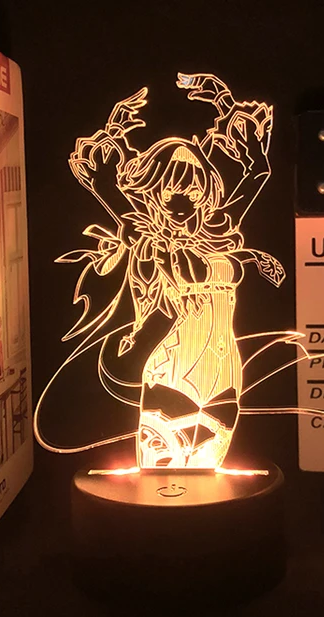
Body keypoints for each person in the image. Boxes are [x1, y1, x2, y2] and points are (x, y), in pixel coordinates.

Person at [52, 73, 283, 468]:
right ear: (154, 194)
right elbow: (106, 185)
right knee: (160, 469)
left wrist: (225, 105)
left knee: (211, 471)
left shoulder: (218, 232)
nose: (186, 203)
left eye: (194, 192)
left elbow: (257, 174)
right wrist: (114, 129)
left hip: (225, 370)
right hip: (173, 364)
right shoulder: (147, 238)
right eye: (174, 192)